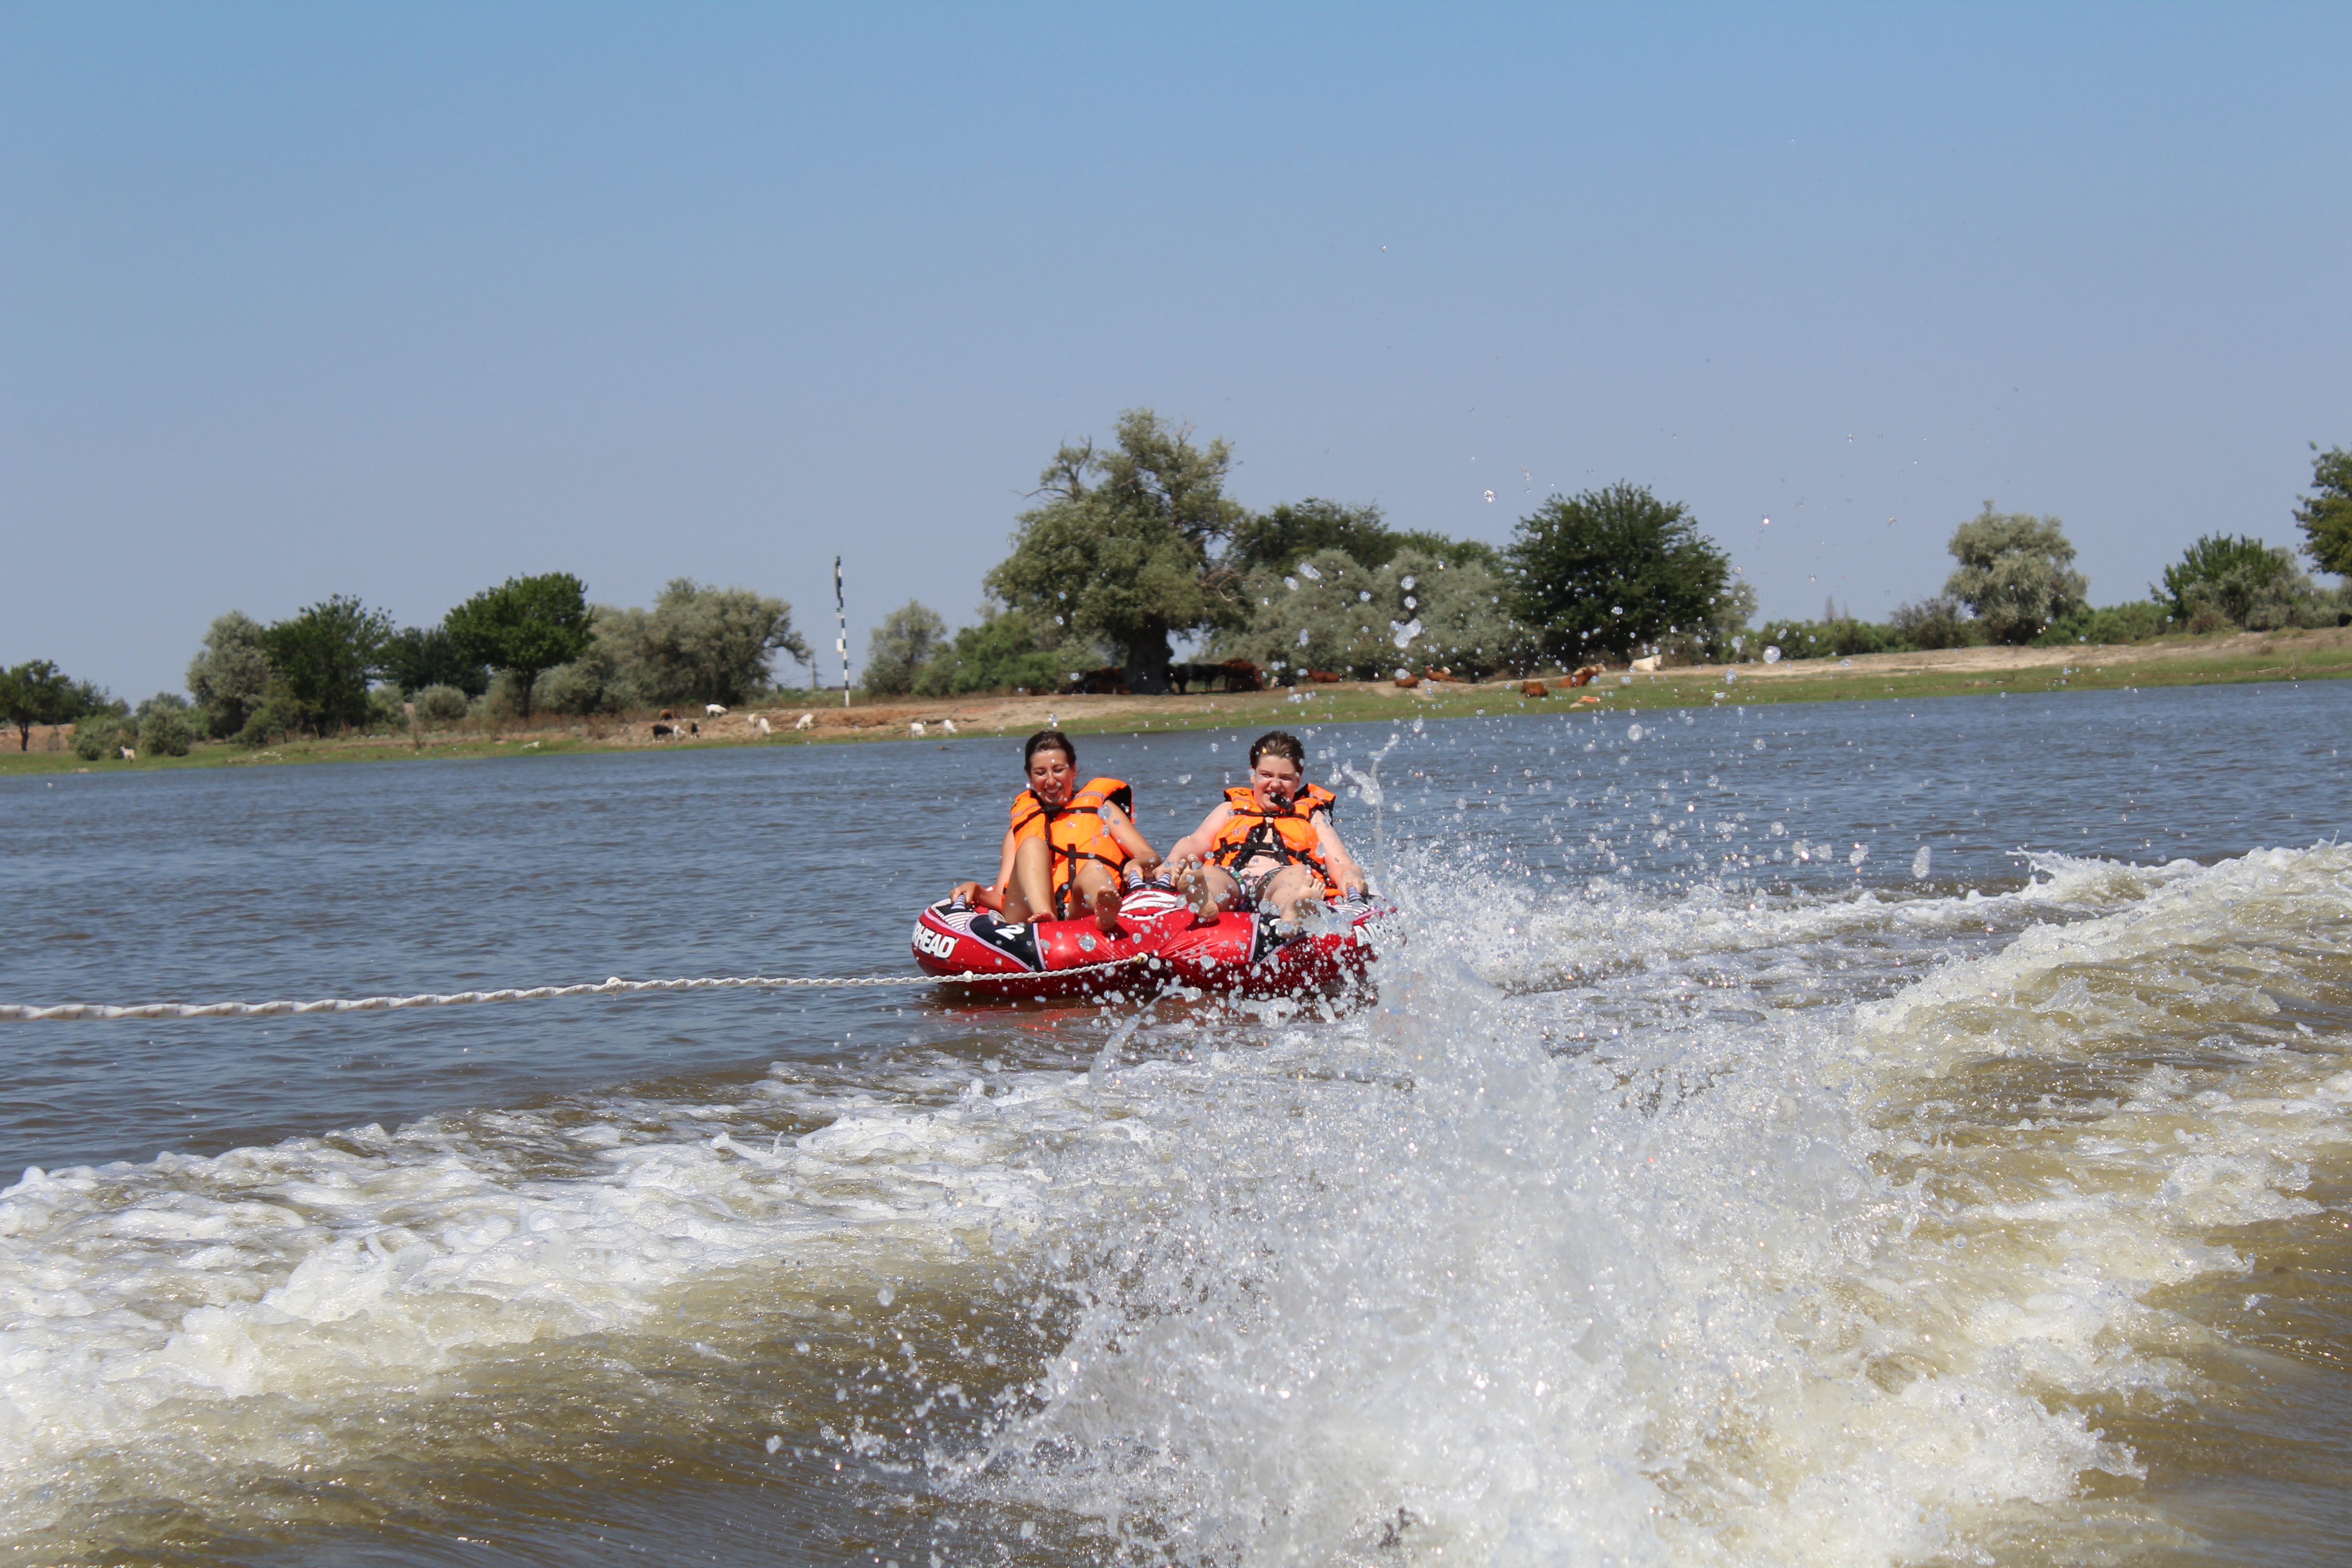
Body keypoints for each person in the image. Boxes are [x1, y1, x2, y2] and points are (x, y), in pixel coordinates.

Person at [951, 730, 1160, 935]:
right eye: (1041, 773)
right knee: (1032, 844)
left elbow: (1151, 858)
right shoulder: (1019, 831)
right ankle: (1045, 915)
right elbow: (1004, 897)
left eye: (1059, 770)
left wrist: (1139, 863)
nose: (1051, 781)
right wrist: (978, 892)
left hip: (1077, 909)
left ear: (1073, 771)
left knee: (1094, 869)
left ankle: (1104, 910)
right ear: (1030, 777)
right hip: (1028, 916)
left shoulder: (1102, 810)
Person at [1164, 730, 1367, 926]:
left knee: (1297, 874)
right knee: (1210, 874)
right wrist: (1172, 861)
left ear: (1298, 780)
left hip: (1278, 879)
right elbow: (1196, 842)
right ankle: (1206, 900)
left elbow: (1342, 863)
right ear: (1254, 776)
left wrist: (1351, 877)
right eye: (1267, 775)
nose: (1275, 785)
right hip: (1231, 875)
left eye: (1286, 778)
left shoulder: (1313, 817)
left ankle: (1294, 908)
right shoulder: (1230, 810)